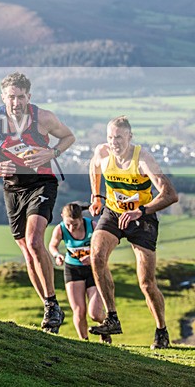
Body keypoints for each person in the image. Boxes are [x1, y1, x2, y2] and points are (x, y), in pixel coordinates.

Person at [0, 72, 75, 332]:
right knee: (27, 252)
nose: (16, 102)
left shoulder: (44, 117)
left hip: (42, 183)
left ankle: (51, 304)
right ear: (2, 97)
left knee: (34, 239)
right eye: (11, 97)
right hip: (13, 188)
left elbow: (68, 137)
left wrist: (52, 152)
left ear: (29, 96)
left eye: (20, 97)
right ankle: (50, 306)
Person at [88, 116, 179, 349]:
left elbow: (170, 194)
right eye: (110, 137)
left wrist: (142, 211)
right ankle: (112, 318)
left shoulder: (143, 159)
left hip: (142, 217)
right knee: (96, 255)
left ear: (130, 137)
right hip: (114, 213)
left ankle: (161, 331)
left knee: (146, 282)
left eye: (119, 137)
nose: (114, 142)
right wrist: (97, 196)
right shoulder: (103, 152)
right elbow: (94, 166)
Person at [48, 202, 108, 342]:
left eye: (75, 224)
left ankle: (105, 327)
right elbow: (52, 245)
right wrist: (57, 255)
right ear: (62, 217)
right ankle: (84, 342)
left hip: (94, 269)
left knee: (95, 313)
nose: (71, 228)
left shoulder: (92, 226)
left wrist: (93, 256)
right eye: (68, 224)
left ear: (81, 219)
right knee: (79, 311)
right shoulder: (60, 229)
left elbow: (104, 246)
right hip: (73, 269)